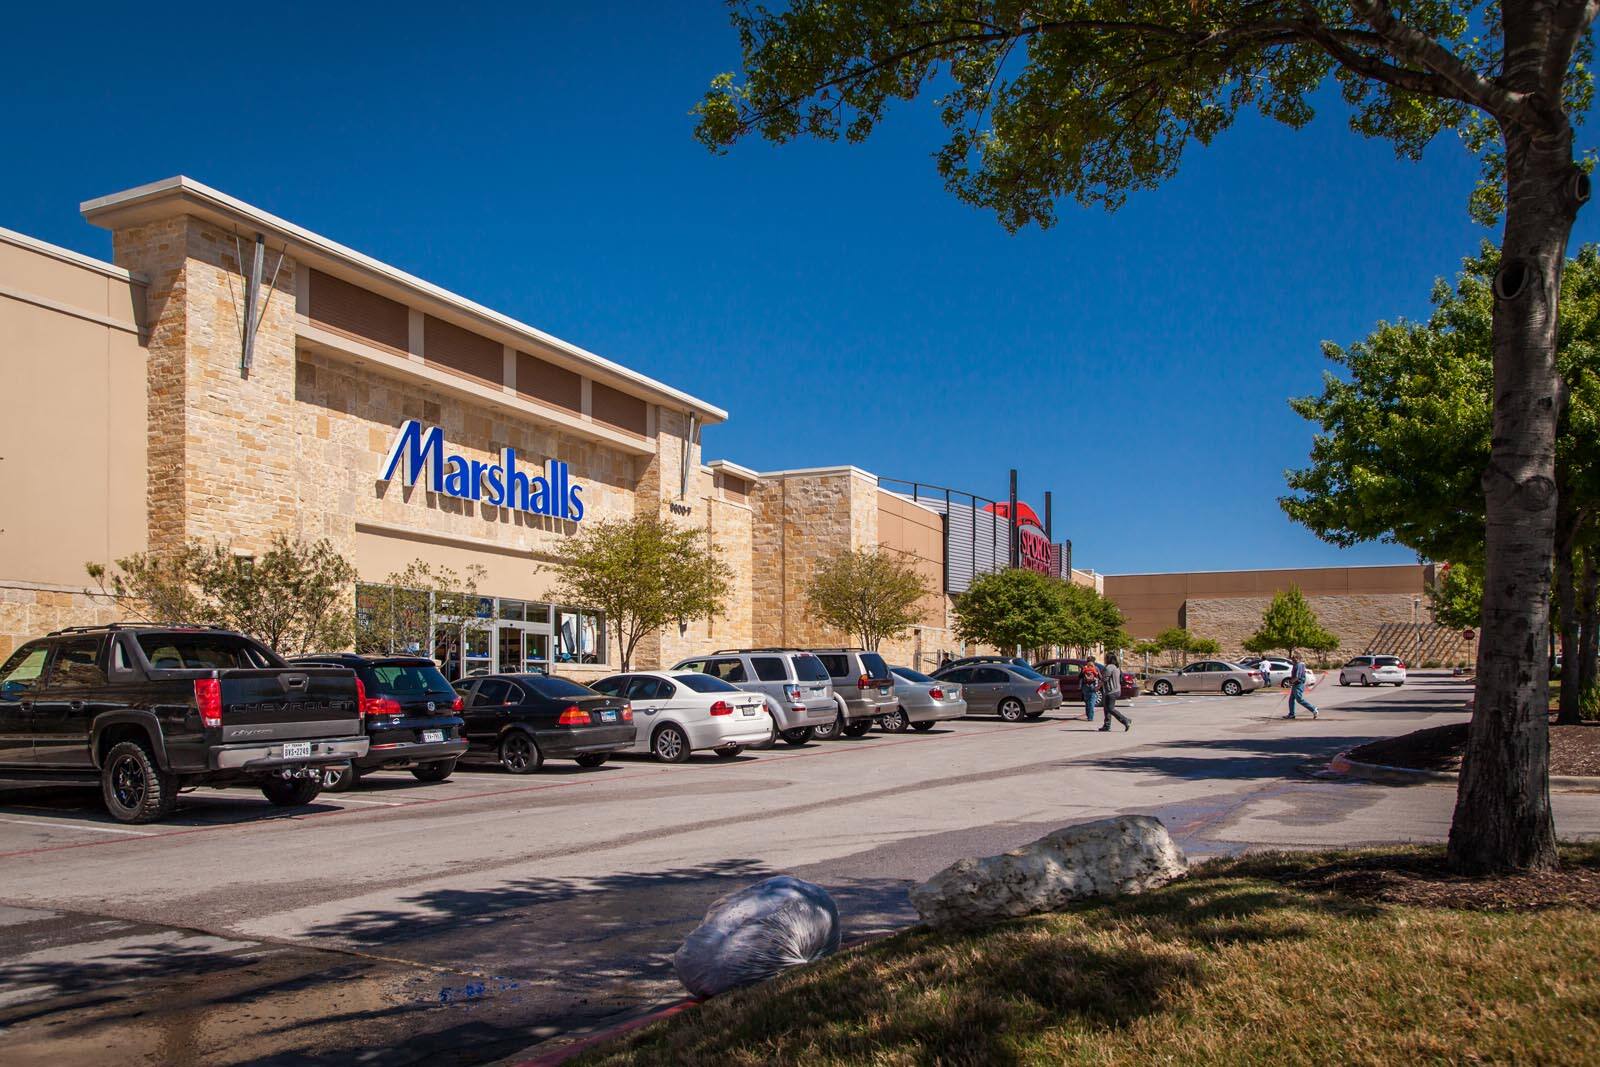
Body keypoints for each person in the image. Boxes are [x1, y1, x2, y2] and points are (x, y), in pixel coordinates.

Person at [1099, 654, 1131, 731]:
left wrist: (1097, 687)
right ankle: (1107, 725)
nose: (1104, 659)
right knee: (1106, 708)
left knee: (1110, 708)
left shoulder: (1109, 667)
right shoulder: (1116, 667)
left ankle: (1125, 720)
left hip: (1111, 691)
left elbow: (1104, 679)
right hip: (1116, 690)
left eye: (1105, 658)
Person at [1285, 655, 1319, 719]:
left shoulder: (1299, 665)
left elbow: (1297, 677)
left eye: (1295, 658)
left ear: (1298, 658)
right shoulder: (1296, 665)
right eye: (1293, 658)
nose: (1293, 659)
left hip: (1298, 684)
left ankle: (1313, 709)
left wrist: (1291, 682)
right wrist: (1291, 682)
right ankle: (1291, 714)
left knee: (1299, 699)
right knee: (1291, 699)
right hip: (1295, 684)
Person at [1080, 656, 1101, 722]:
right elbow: (1100, 677)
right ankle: (1090, 717)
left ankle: (1088, 715)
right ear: (1094, 661)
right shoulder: (1095, 668)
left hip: (1085, 686)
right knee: (1092, 701)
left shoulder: (1085, 668)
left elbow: (1079, 676)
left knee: (1087, 701)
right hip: (1093, 685)